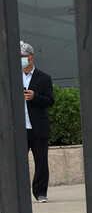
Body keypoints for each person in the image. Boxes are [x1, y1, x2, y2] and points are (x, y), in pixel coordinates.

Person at [21, 41, 55, 203]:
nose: (21, 59)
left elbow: (50, 100)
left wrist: (35, 97)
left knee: (41, 162)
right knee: (17, 163)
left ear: (31, 57)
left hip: (38, 127)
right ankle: (19, 192)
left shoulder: (44, 78)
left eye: (24, 56)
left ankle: (40, 192)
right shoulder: (11, 76)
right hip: (19, 128)